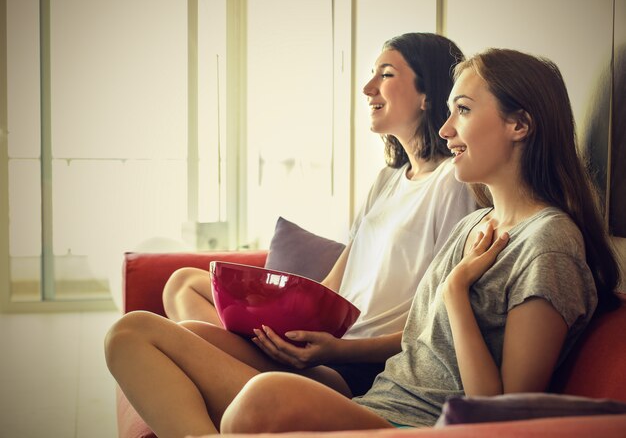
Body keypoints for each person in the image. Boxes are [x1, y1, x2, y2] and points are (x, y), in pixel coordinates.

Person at [211, 48, 622, 434]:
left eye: (463, 110)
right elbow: (415, 349)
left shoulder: (548, 243)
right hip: (377, 404)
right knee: (148, 333)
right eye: (449, 113)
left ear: (520, 124)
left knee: (262, 399)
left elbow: (501, 416)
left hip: (420, 427)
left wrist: (456, 292)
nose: (445, 131)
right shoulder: (475, 224)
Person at [151, 32, 476, 398]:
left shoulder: (453, 182)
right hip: (328, 344)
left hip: (359, 362)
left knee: (185, 339)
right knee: (183, 284)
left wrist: (336, 350)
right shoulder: (388, 180)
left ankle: (247, 389)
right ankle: (248, 385)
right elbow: (331, 287)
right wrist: (274, 314)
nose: (368, 88)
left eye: (385, 75)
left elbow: (436, 315)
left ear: (426, 94)